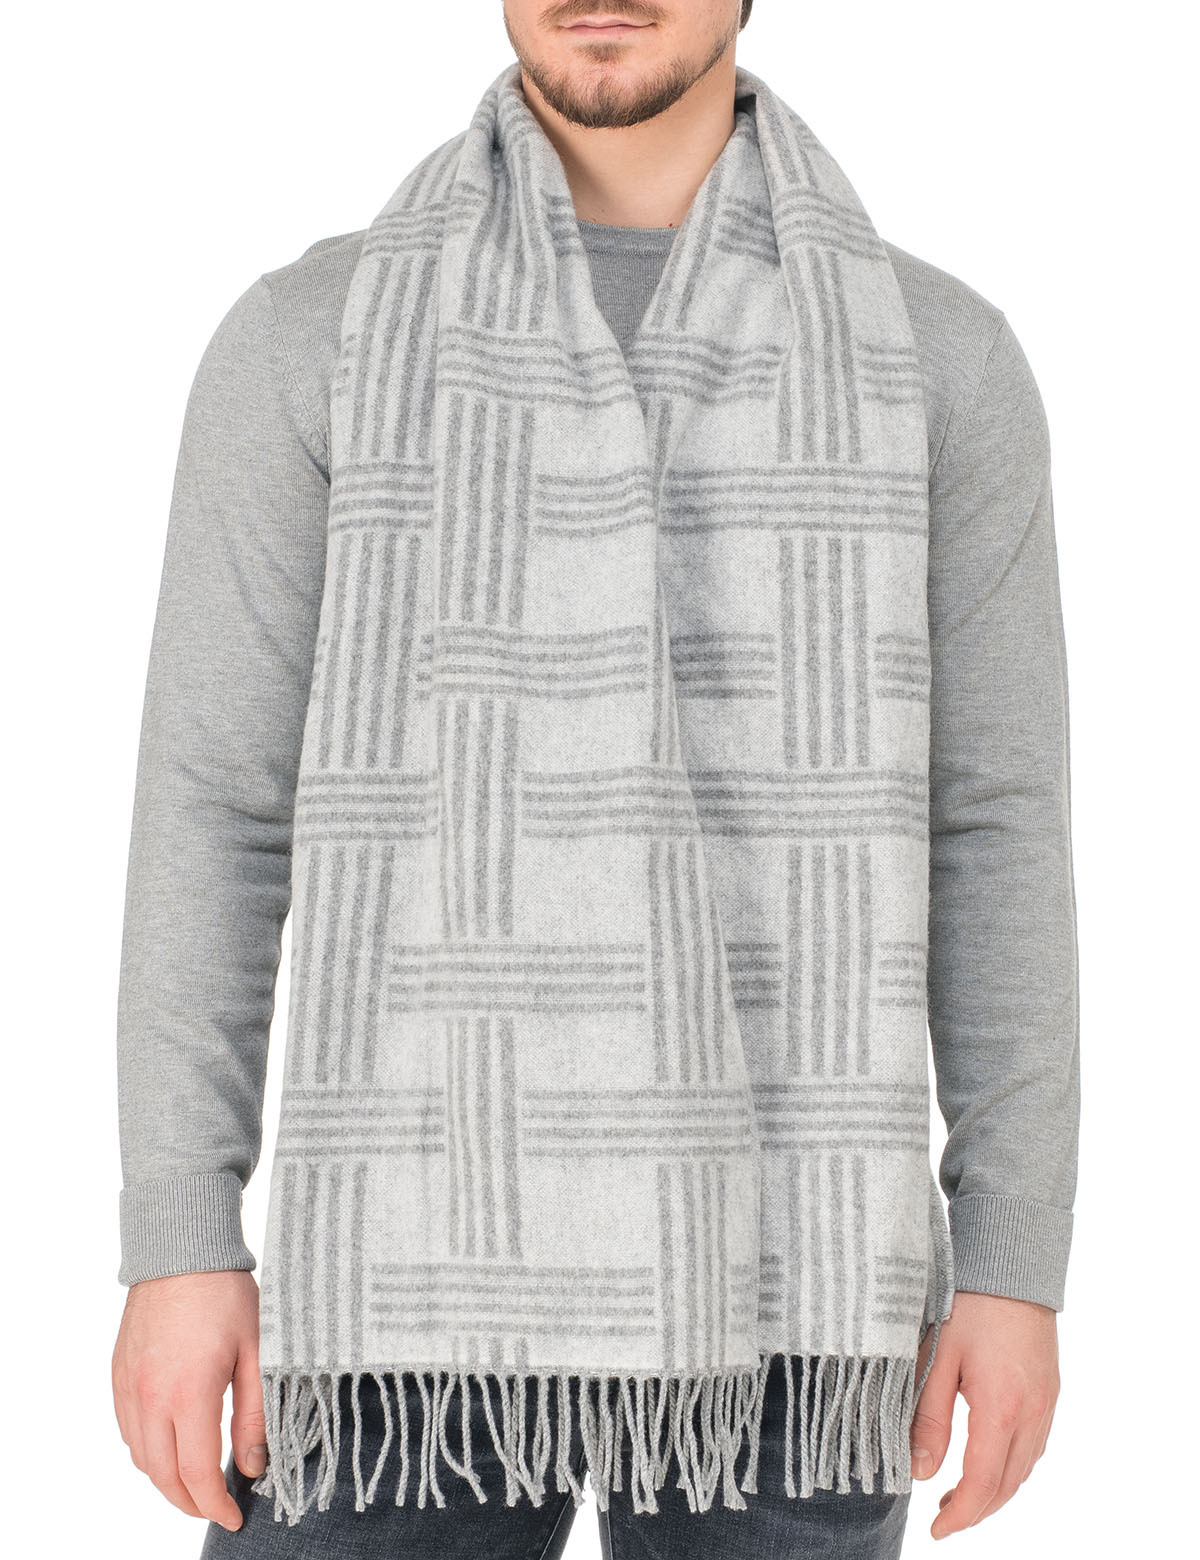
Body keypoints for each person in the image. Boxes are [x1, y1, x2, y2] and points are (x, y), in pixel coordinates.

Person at [111, 3, 1080, 1556]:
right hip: (398, 1271)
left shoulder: (935, 360)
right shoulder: (312, 338)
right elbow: (214, 806)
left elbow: (994, 823)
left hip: (801, 1283)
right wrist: (179, 1238)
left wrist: (1016, 1259)